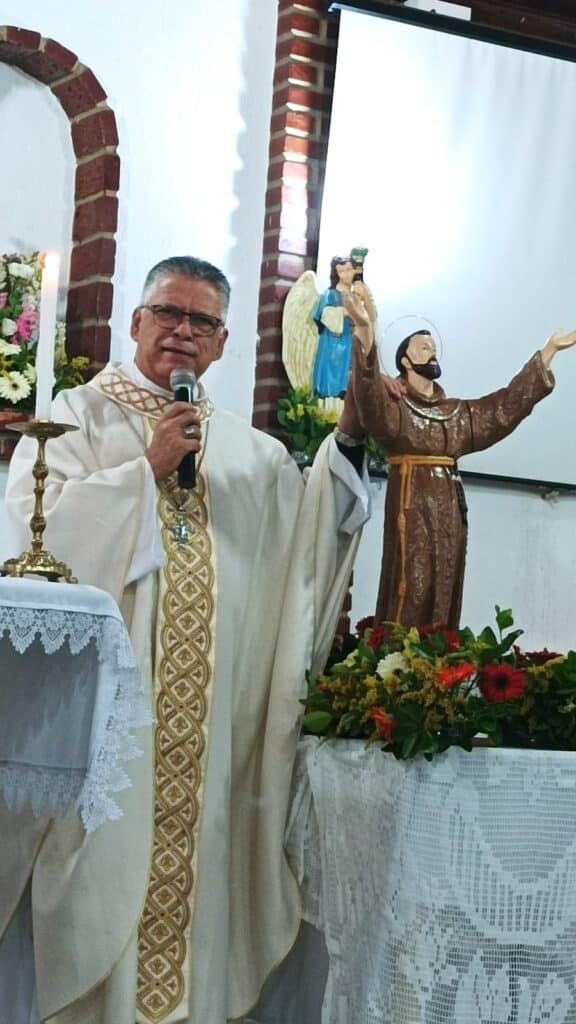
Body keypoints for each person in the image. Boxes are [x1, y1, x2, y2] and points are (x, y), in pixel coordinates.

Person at [3, 256, 372, 1024]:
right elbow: (34, 554)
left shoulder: (255, 456)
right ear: (134, 322)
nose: (182, 331)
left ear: (223, 341)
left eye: (201, 321)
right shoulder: (72, 420)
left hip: (211, 749)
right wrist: (144, 471)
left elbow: (304, 556)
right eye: (168, 313)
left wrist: (346, 450)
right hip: (105, 737)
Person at [339, 314, 576, 630]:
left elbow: (502, 409)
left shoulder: (454, 413)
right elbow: (368, 400)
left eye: (433, 347)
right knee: (413, 584)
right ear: (405, 360)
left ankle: (438, 662)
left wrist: (547, 353)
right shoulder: (394, 407)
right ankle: (398, 663)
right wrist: (366, 338)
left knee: (446, 584)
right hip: (411, 507)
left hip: (451, 511)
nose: (432, 353)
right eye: (423, 348)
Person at [311, 256, 359, 398]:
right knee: (330, 372)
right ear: (335, 273)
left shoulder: (356, 296)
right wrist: (343, 312)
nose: (346, 274)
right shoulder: (329, 295)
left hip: (349, 340)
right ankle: (327, 396)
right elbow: (323, 315)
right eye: (342, 271)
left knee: (348, 371)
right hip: (332, 342)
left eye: (349, 270)